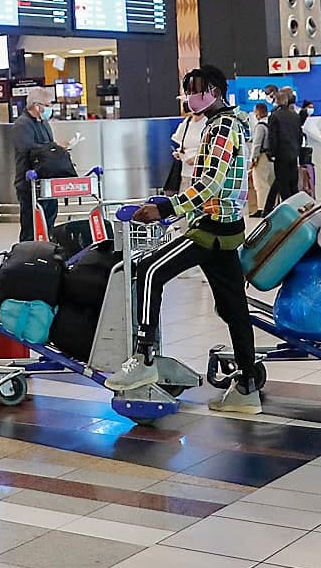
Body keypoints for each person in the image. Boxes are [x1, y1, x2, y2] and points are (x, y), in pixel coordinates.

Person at [107, 67, 262, 413]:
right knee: (234, 308)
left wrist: (164, 208)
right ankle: (247, 386)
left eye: (199, 90)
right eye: (189, 91)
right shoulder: (234, 121)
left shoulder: (221, 126)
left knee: (148, 271)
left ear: (217, 91)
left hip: (209, 229)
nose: (193, 97)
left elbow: (211, 183)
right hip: (226, 228)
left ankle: (144, 355)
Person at [12, 86, 59, 237]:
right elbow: (27, 149)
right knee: (31, 225)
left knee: (49, 221)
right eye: (47, 105)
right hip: (29, 182)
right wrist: (49, 149)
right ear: (36, 105)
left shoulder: (44, 123)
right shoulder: (22, 124)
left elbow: (49, 145)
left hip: (48, 181)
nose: (50, 109)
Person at [265, 88, 305, 207]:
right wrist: (297, 150)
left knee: (283, 184)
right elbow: (299, 136)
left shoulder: (274, 116)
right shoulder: (295, 116)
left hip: (281, 155)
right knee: (293, 183)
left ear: (276, 101)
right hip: (293, 154)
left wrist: (271, 153)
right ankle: (297, 207)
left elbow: (273, 137)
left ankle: (288, 208)